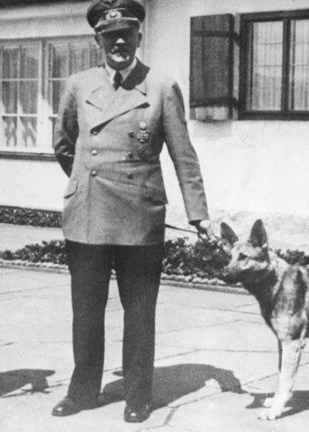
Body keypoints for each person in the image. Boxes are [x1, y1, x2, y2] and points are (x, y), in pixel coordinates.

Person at [51, 0, 211, 423]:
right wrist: (88, 178)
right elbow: (64, 144)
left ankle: (138, 394)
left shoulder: (160, 86)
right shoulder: (78, 85)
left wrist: (198, 213)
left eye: (126, 34)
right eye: (109, 36)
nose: (118, 42)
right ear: (98, 40)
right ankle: (83, 390)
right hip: (87, 214)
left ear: (140, 36)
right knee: (86, 311)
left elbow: (183, 156)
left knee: (139, 313)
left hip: (139, 218)